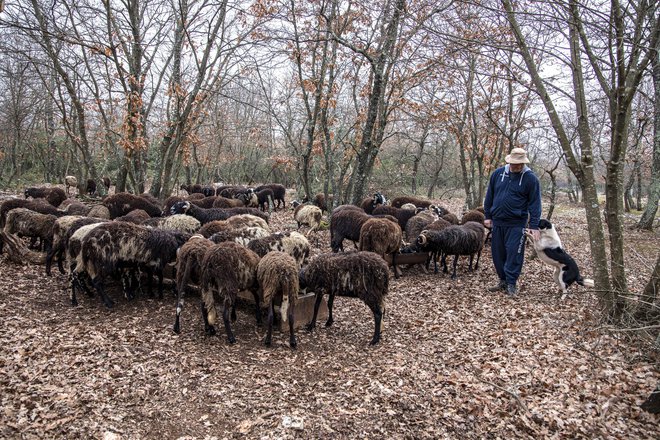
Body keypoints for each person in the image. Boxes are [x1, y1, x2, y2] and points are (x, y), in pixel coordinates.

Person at [483, 147, 541, 296]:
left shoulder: (530, 178)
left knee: (514, 253)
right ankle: (502, 280)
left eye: (520, 164)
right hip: (498, 221)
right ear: (509, 161)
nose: (517, 166)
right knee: (498, 253)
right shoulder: (497, 174)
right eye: (515, 163)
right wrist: (487, 216)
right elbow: (490, 196)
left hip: (517, 223)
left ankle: (511, 283)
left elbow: (535, 203)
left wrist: (534, 225)